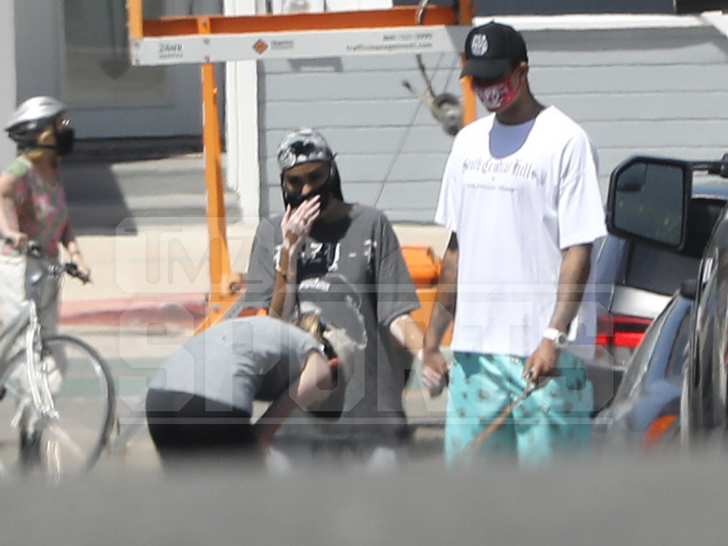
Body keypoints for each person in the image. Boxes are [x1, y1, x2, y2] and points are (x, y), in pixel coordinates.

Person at [421, 22, 607, 467]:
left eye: (494, 76)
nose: (486, 88)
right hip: (474, 355)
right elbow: (456, 249)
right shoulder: (467, 143)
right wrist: (432, 340)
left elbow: (577, 249)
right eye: (477, 79)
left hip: (544, 358)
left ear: (522, 70)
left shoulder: (565, 141)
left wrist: (552, 336)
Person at [241, 128, 425, 471]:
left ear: (332, 171)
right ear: (282, 183)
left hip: (370, 414)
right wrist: (289, 256)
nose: (307, 189)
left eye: (316, 177)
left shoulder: (371, 224)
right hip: (297, 418)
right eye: (295, 182)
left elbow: (396, 311)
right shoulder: (270, 235)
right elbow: (273, 323)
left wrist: (427, 355)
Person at [145, 314, 356, 465]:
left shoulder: (280, 336)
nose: (315, 404)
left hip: (159, 396)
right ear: (334, 365)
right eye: (332, 392)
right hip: (212, 401)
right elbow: (263, 434)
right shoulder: (319, 364)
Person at [0, 96, 90, 337]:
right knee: (24, 337)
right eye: (60, 124)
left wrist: (76, 257)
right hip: (20, 264)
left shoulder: (52, 171)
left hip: (48, 263)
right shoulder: (23, 169)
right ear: (42, 134)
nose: (66, 130)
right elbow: (2, 191)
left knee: (48, 336)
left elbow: (62, 221)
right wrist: (9, 231)